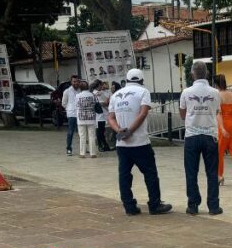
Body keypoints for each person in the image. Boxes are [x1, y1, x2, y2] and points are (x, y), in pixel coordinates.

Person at [107, 68, 172, 216]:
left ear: (127, 79)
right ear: (142, 80)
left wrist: (119, 131)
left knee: (124, 175)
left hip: (122, 145)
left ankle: (129, 207)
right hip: (140, 142)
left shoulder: (116, 95)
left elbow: (110, 117)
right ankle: (154, 205)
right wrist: (129, 131)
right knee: (150, 174)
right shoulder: (143, 92)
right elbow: (143, 113)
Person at [179, 62, 222, 216]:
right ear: (207, 73)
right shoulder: (215, 93)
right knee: (211, 172)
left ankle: (193, 205)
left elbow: (183, 114)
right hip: (210, 135)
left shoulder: (186, 92)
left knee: (191, 172)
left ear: (192, 74)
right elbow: (216, 111)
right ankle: (214, 206)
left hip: (191, 136)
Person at [74, 80, 97, 158]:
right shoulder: (92, 95)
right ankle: (93, 153)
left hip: (81, 118)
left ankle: (82, 153)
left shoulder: (78, 96)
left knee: (82, 136)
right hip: (91, 118)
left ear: (80, 88)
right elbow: (95, 104)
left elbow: (76, 105)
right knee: (92, 136)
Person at [61, 73, 79, 155]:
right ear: (71, 82)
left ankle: (84, 148)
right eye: (74, 81)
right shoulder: (67, 91)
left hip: (80, 114)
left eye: (77, 81)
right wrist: (69, 109)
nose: (75, 83)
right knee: (70, 132)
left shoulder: (80, 90)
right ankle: (69, 148)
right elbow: (64, 103)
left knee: (81, 133)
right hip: (72, 114)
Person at [92, 80, 111, 152]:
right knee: (99, 131)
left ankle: (105, 145)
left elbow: (107, 101)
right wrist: (104, 102)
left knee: (102, 131)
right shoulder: (94, 93)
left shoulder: (101, 93)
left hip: (104, 114)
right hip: (98, 115)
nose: (102, 86)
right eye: (101, 85)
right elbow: (105, 102)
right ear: (98, 85)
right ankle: (100, 145)